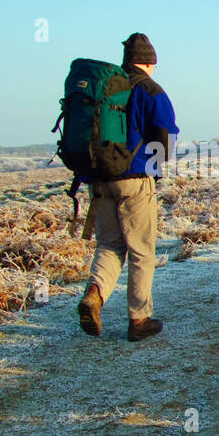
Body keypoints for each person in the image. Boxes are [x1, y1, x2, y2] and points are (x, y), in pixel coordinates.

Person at [76, 33, 178, 342]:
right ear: (150, 62)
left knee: (109, 245)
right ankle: (139, 319)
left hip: (99, 181)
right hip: (134, 179)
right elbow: (166, 136)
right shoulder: (150, 89)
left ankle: (94, 294)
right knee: (141, 251)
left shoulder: (108, 88)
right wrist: (155, 164)